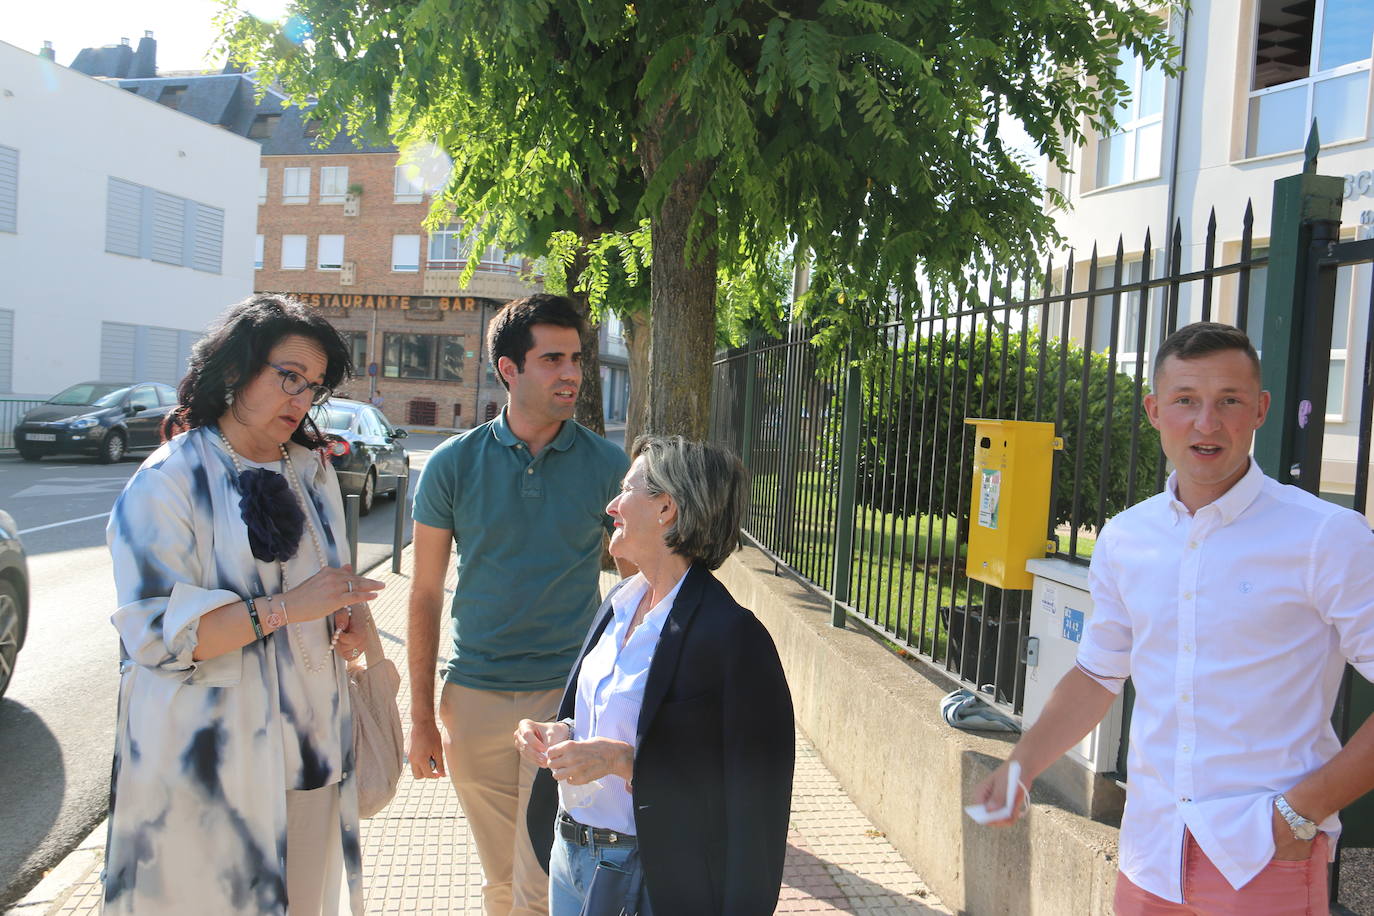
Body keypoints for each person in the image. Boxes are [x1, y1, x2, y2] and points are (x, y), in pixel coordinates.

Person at [972, 322, 1374, 914]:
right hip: (1148, 856)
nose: (1207, 423)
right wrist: (1021, 768)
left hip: (1261, 858)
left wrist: (1296, 814)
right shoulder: (1127, 537)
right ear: (1155, 410)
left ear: (1259, 409)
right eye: (1186, 400)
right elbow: (1096, 676)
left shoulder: (1326, 538)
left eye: (1228, 401)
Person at [103, 294, 386, 916]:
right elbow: (154, 639)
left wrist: (348, 628)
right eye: (289, 377)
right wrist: (288, 608)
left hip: (313, 752)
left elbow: (322, 596)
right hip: (211, 772)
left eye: (313, 386)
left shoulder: (312, 474)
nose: (302, 398)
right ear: (234, 372)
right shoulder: (169, 482)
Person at [406, 294, 631, 916]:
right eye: (552, 359)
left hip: (564, 701)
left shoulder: (609, 466)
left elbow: (638, 590)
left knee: (541, 880)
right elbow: (423, 595)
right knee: (501, 878)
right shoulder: (453, 464)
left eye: (577, 359)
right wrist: (421, 717)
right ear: (508, 370)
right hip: (473, 702)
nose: (572, 374)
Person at [516, 436, 795, 916]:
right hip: (570, 854)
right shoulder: (620, 602)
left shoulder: (733, 637)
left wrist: (626, 762)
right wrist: (559, 729)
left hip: (651, 876)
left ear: (667, 507)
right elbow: (605, 711)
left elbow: (752, 793)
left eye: (626, 489)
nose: (612, 505)